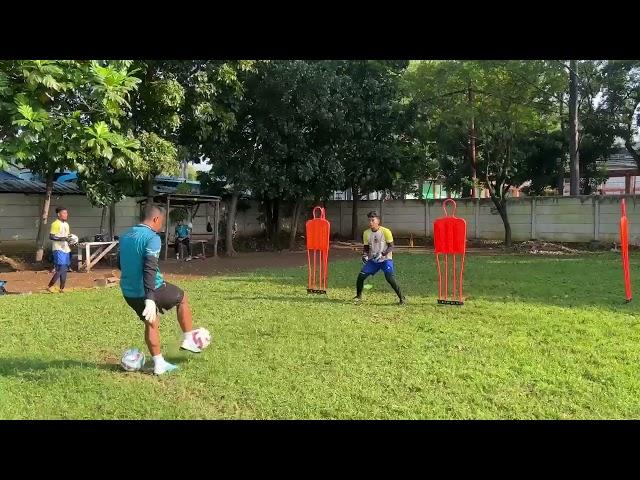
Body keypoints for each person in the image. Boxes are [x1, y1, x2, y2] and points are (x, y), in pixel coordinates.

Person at [118, 204, 203, 375]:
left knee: (151, 322)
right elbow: (149, 267)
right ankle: (188, 339)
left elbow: (120, 263)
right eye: (162, 222)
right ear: (156, 219)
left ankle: (159, 364)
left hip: (128, 291)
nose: (162, 226)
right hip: (152, 289)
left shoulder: (125, 235)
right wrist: (150, 298)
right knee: (182, 297)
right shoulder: (152, 237)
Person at [353, 210, 406, 305]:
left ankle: (402, 298)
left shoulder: (386, 231)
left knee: (390, 278)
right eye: (369, 220)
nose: (370, 222)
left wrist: (383, 254)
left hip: (386, 260)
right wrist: (364, 255)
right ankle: (358, 295)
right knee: (361, 276)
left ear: (378, 221)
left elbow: (391, 246)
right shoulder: (366, 233)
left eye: (373, 220)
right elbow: (366, 248)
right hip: (373, 260)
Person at [48, 207, 77, 293]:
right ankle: (50, 285)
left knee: (65, 268)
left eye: (66, 213)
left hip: (66, 249)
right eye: (64, 213)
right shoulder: (55, 224)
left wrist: (72, 242)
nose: (66, 215)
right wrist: (64, 239)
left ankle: (62, 288)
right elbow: (51, 236)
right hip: (58, 248)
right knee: (61, 267)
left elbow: (68, 237)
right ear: (58, 214)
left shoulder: (67, 224)